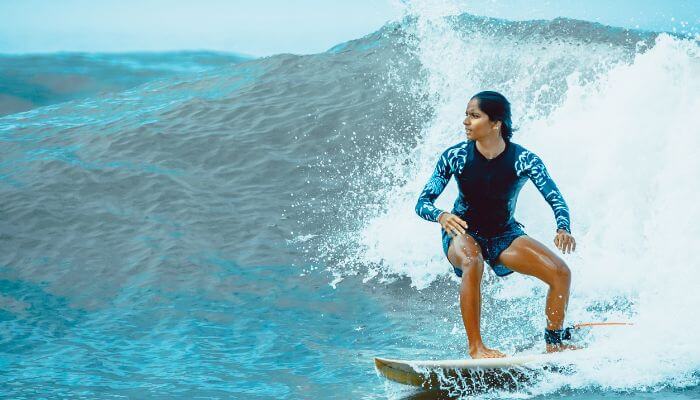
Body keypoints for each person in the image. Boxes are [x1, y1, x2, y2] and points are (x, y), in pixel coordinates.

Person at [415, 91, 577, 359]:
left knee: (560, 273)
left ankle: (554, 342)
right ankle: (476, 348)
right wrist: (441, 215)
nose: (466, 121)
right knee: (472, 260)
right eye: (467, 115)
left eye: (474, 116)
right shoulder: (455, 156)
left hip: (504, 234)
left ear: (496, 123)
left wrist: (563, 228)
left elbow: (556, 198)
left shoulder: (524, 160)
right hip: (462, 232)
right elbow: (422, 202)